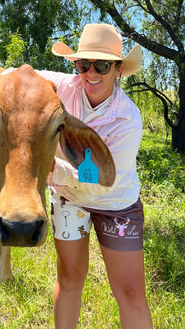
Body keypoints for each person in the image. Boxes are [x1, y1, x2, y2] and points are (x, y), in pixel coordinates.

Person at [39, 23, 153, 329]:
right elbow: (18, 74)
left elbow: (103, 180)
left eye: (102, 65)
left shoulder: (127, 119)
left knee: (130, 293)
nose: (91, 73)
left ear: (118, 70)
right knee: (69, 277)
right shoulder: (64, 87)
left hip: (116, 204)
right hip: (69, 199)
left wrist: (53, 168)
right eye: (83, 63)